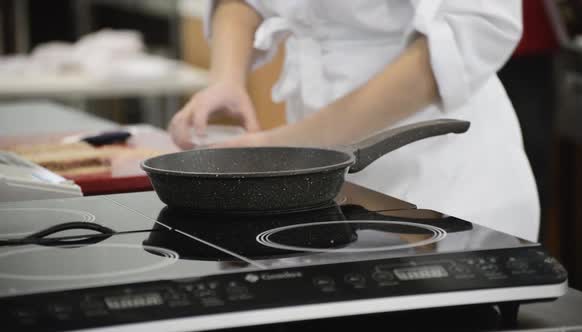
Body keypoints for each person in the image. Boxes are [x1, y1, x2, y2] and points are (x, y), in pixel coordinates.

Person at [168, 0, 540, 242]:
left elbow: (469, 34)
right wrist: (226, 78)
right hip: (328, 184)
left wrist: (292, 148)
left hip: (440, 178)